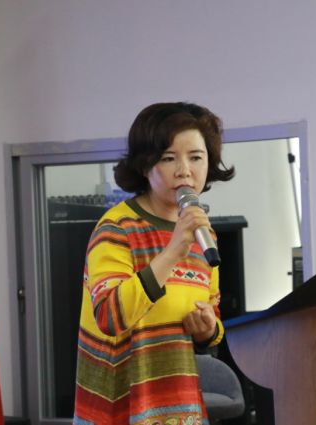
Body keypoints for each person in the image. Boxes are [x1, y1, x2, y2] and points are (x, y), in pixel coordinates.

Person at [73, 102, 235, 425]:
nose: (184, 170)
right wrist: (173, 250)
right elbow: (109, 315)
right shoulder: (116, 228)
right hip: (119, 411)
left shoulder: (203, 235)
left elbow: (213, 315)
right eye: (168, 158)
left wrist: (208, 329)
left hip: (181, 410)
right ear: (145, 165)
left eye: (196, 157)